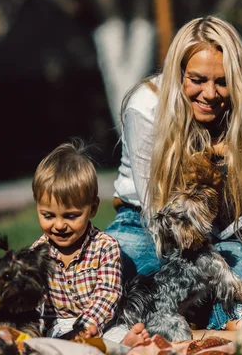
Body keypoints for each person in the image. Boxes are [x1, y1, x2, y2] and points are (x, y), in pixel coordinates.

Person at [105, 16, 242, 335]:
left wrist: (228, 166)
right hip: (147, 224)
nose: (210, 94)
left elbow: (234, 217)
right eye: (197, 79)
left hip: (217, 234)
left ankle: (211, 322)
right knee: (113, 293)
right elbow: (157, 210)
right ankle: (202, 319)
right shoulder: (146, 105)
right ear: (178, 73)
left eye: (223, 81)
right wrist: (213, 155)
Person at [31, 139, 149, 346]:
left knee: (117, 333)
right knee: (53, 343)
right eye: (48, 216)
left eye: (71, 216)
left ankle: (123, 345)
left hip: (102, 322)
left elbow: (108, 294)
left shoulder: (105, 247)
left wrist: (86, 326)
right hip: (59, 325)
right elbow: (35, 303)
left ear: (92, 209)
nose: (59, 225)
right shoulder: (37, 252)